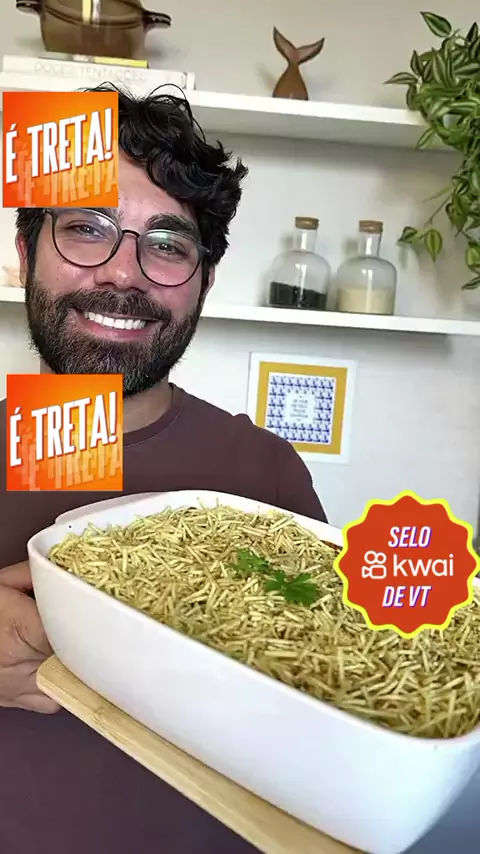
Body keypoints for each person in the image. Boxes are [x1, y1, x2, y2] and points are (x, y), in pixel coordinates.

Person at [0, 85, 327, 854]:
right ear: (25, 253)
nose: (124, 273)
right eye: (87, 228)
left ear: (205, 281)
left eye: (168, 244)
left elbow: (331, 698)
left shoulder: (265, 472)